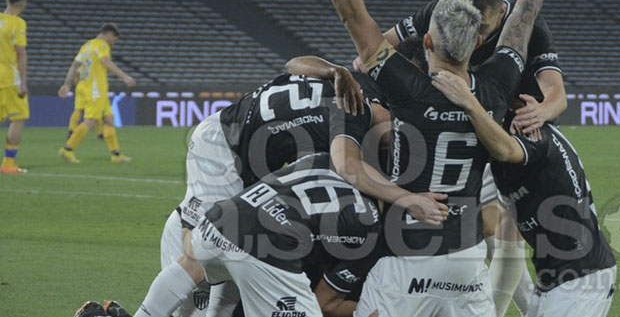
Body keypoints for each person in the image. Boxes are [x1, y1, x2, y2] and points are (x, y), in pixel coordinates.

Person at [304, 0, 562, 317]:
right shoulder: (497, 86)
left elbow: (352, 14)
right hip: (465, 263)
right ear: (483, 39)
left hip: (405, 258)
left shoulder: (408, 87)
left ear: (426, 42)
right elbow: (526, 11)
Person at [135, 58, 446, 317]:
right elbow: (348, 168)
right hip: (223, 145)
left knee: (224, 248)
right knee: (200, 253)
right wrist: (408, 199)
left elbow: (293, 63)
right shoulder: (354, 115)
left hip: (246, 151)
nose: (389, 142)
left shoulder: (347, 83)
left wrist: (333, 70)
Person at [377, 0, 567, 316]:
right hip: (467, 139)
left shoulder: (530, 28)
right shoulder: (445, 13)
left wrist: (543, 110)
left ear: (501, 14)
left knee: (508, 237)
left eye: (483, 27)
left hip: (515, 139)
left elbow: (558, 94)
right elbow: (382, 42)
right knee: (490, 233)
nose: (473, 34)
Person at [432, 71, 617, 317]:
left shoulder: (533, 136)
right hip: (555, 280)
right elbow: (508, 247)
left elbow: (505, 149)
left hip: (581, 281)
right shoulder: (509, 161)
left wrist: (468, 101)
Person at [188, 153, 382, 317]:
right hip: (257, 248)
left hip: (212, 226)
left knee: (225, 303)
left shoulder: (325, 158)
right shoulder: (369, 222)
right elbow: (326, 304)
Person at [58, 23, 136, 164]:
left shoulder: (87, 46)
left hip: (90, 87)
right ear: (109, 34)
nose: (113, 42)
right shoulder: (102, 45)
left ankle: (116, 155)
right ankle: (68, 149)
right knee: (92, 121)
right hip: (95, 89)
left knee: (108, 119)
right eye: (114, 39)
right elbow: (105, 62)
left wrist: (67, 84)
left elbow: (74, 66)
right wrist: (124, 77)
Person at [0, 0, 29, 175]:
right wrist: (23, 82)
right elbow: (20, 53)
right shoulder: (18, 23)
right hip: (9, 78)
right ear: (22, 4)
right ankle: (9, 163)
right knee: (19, 118)